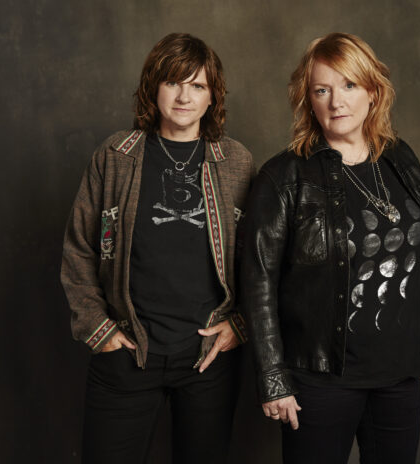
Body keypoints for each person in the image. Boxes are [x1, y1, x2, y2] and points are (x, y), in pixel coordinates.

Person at [240, 32, 420, 464]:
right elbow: (256, 280)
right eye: (322, 90)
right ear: (309, 100)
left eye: (349, 86)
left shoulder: (401, 158)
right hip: (321, 380)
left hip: (397, 376)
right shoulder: (284, 176)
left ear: (373, 93)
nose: (336, 101)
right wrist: (273, 377)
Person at [61, 33, 254, 463]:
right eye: (173, 82)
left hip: (208, 358)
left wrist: (240, 325)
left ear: (212, 96)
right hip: (128, 352)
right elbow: (79, 249)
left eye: (198, 85)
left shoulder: (236, 162)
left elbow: (259, 261)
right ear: (154, 87)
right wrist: (100, 329)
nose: (184, 95)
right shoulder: (115, 156)